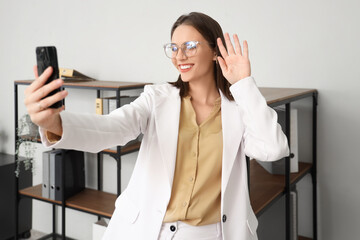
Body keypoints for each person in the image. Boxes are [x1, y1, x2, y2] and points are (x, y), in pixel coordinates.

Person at [24, 12, 289, 240]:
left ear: (214, 51)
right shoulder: (157, 98)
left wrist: (243, 84)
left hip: (212, 233)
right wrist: (55, 123)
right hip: (148, 230)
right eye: (173, 48)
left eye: (190, 46)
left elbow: (273, 149)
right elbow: (111, 128)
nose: (179, 56)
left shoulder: (239, 108)